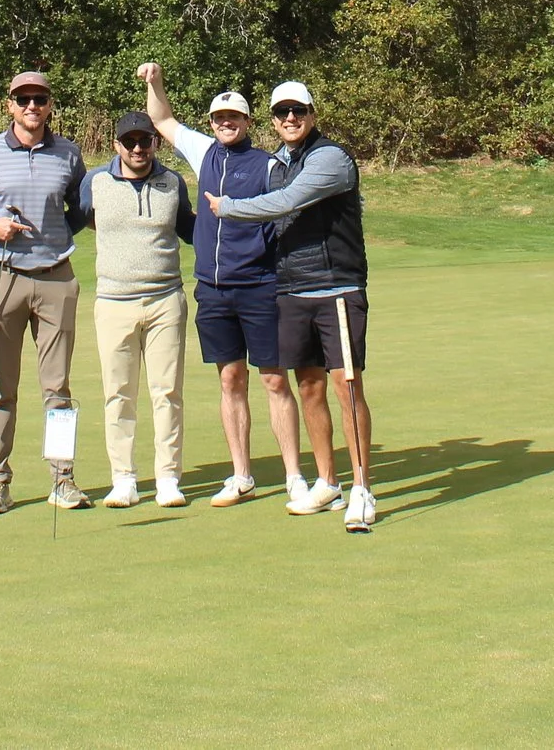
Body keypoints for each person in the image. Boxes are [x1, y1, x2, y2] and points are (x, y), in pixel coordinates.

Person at [205, 81, 378, 533]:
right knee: (309, 389)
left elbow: (287, 202)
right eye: (281, 112)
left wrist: (229, 208)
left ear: (312, 114)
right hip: (292, 291)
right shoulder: (278, 162)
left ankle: (361, 487)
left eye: (297, 110)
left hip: (335, 287)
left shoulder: (331, 159)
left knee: (347, 386)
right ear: (273, 119)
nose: (289, 119)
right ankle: (328, 482)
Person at [139, 62, 306, 509]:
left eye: (234, 118)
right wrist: (156, 82)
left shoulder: (269, 164)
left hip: (259, 285)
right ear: (212, 124)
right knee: (230, 379)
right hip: (212, 289)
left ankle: (294, 475)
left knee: (273, 380)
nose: (226, 124)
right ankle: (241, 475)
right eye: (219, 119)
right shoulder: (205, 152)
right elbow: (162, 120)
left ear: (248, 123)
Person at [0, 71, 89, 516]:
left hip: (56, 278)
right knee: (2, 388)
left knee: (57, 388)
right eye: (22, 99)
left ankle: (62, 479)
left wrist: (58, 235)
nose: (31, 106)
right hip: (2, 277)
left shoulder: (68, 153)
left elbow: (79, 209)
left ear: (49, 104)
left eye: (39, 99)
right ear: (9, 105)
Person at [75, 112, 194, 508]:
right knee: (119, 394)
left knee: (167, 393)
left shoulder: (172, 183)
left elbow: (191, 231)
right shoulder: (96, 182)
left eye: (145, 141)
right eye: (131, 142)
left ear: (154, 144)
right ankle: (124, 478)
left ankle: (167, 478)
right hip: (113, 302)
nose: (139, 148)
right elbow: (70, 222)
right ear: (117, 145)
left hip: (166, 301)